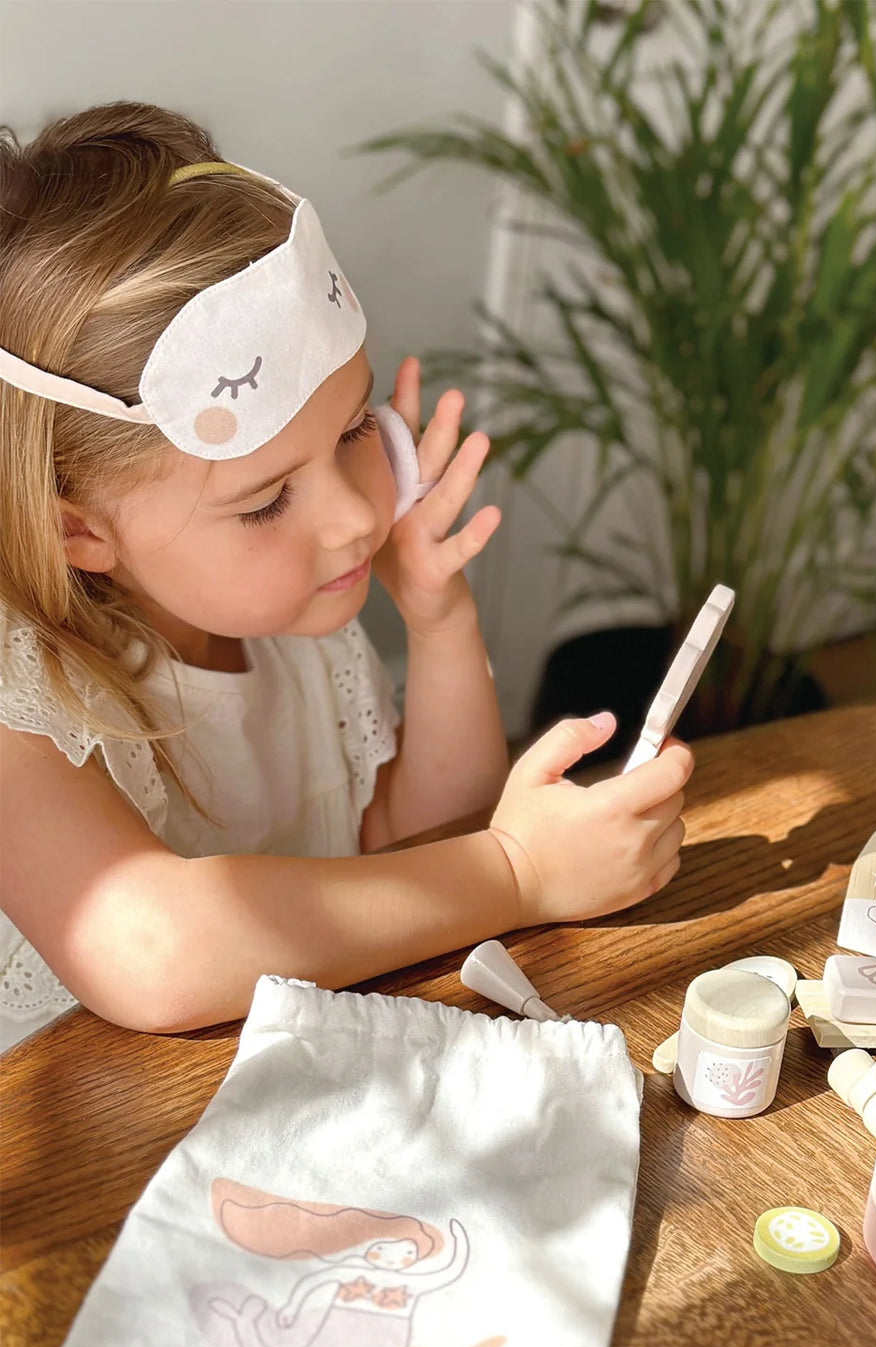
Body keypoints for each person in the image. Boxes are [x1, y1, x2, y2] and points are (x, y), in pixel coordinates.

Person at [0, 103, 691, 1054]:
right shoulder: (25, 703)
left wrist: (437, 617)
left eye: (356, 430)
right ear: (76, 529)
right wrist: (517, 870)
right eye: (265, 500)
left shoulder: (288, 618)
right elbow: (150, 949)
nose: (358, 515)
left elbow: (409, 843)